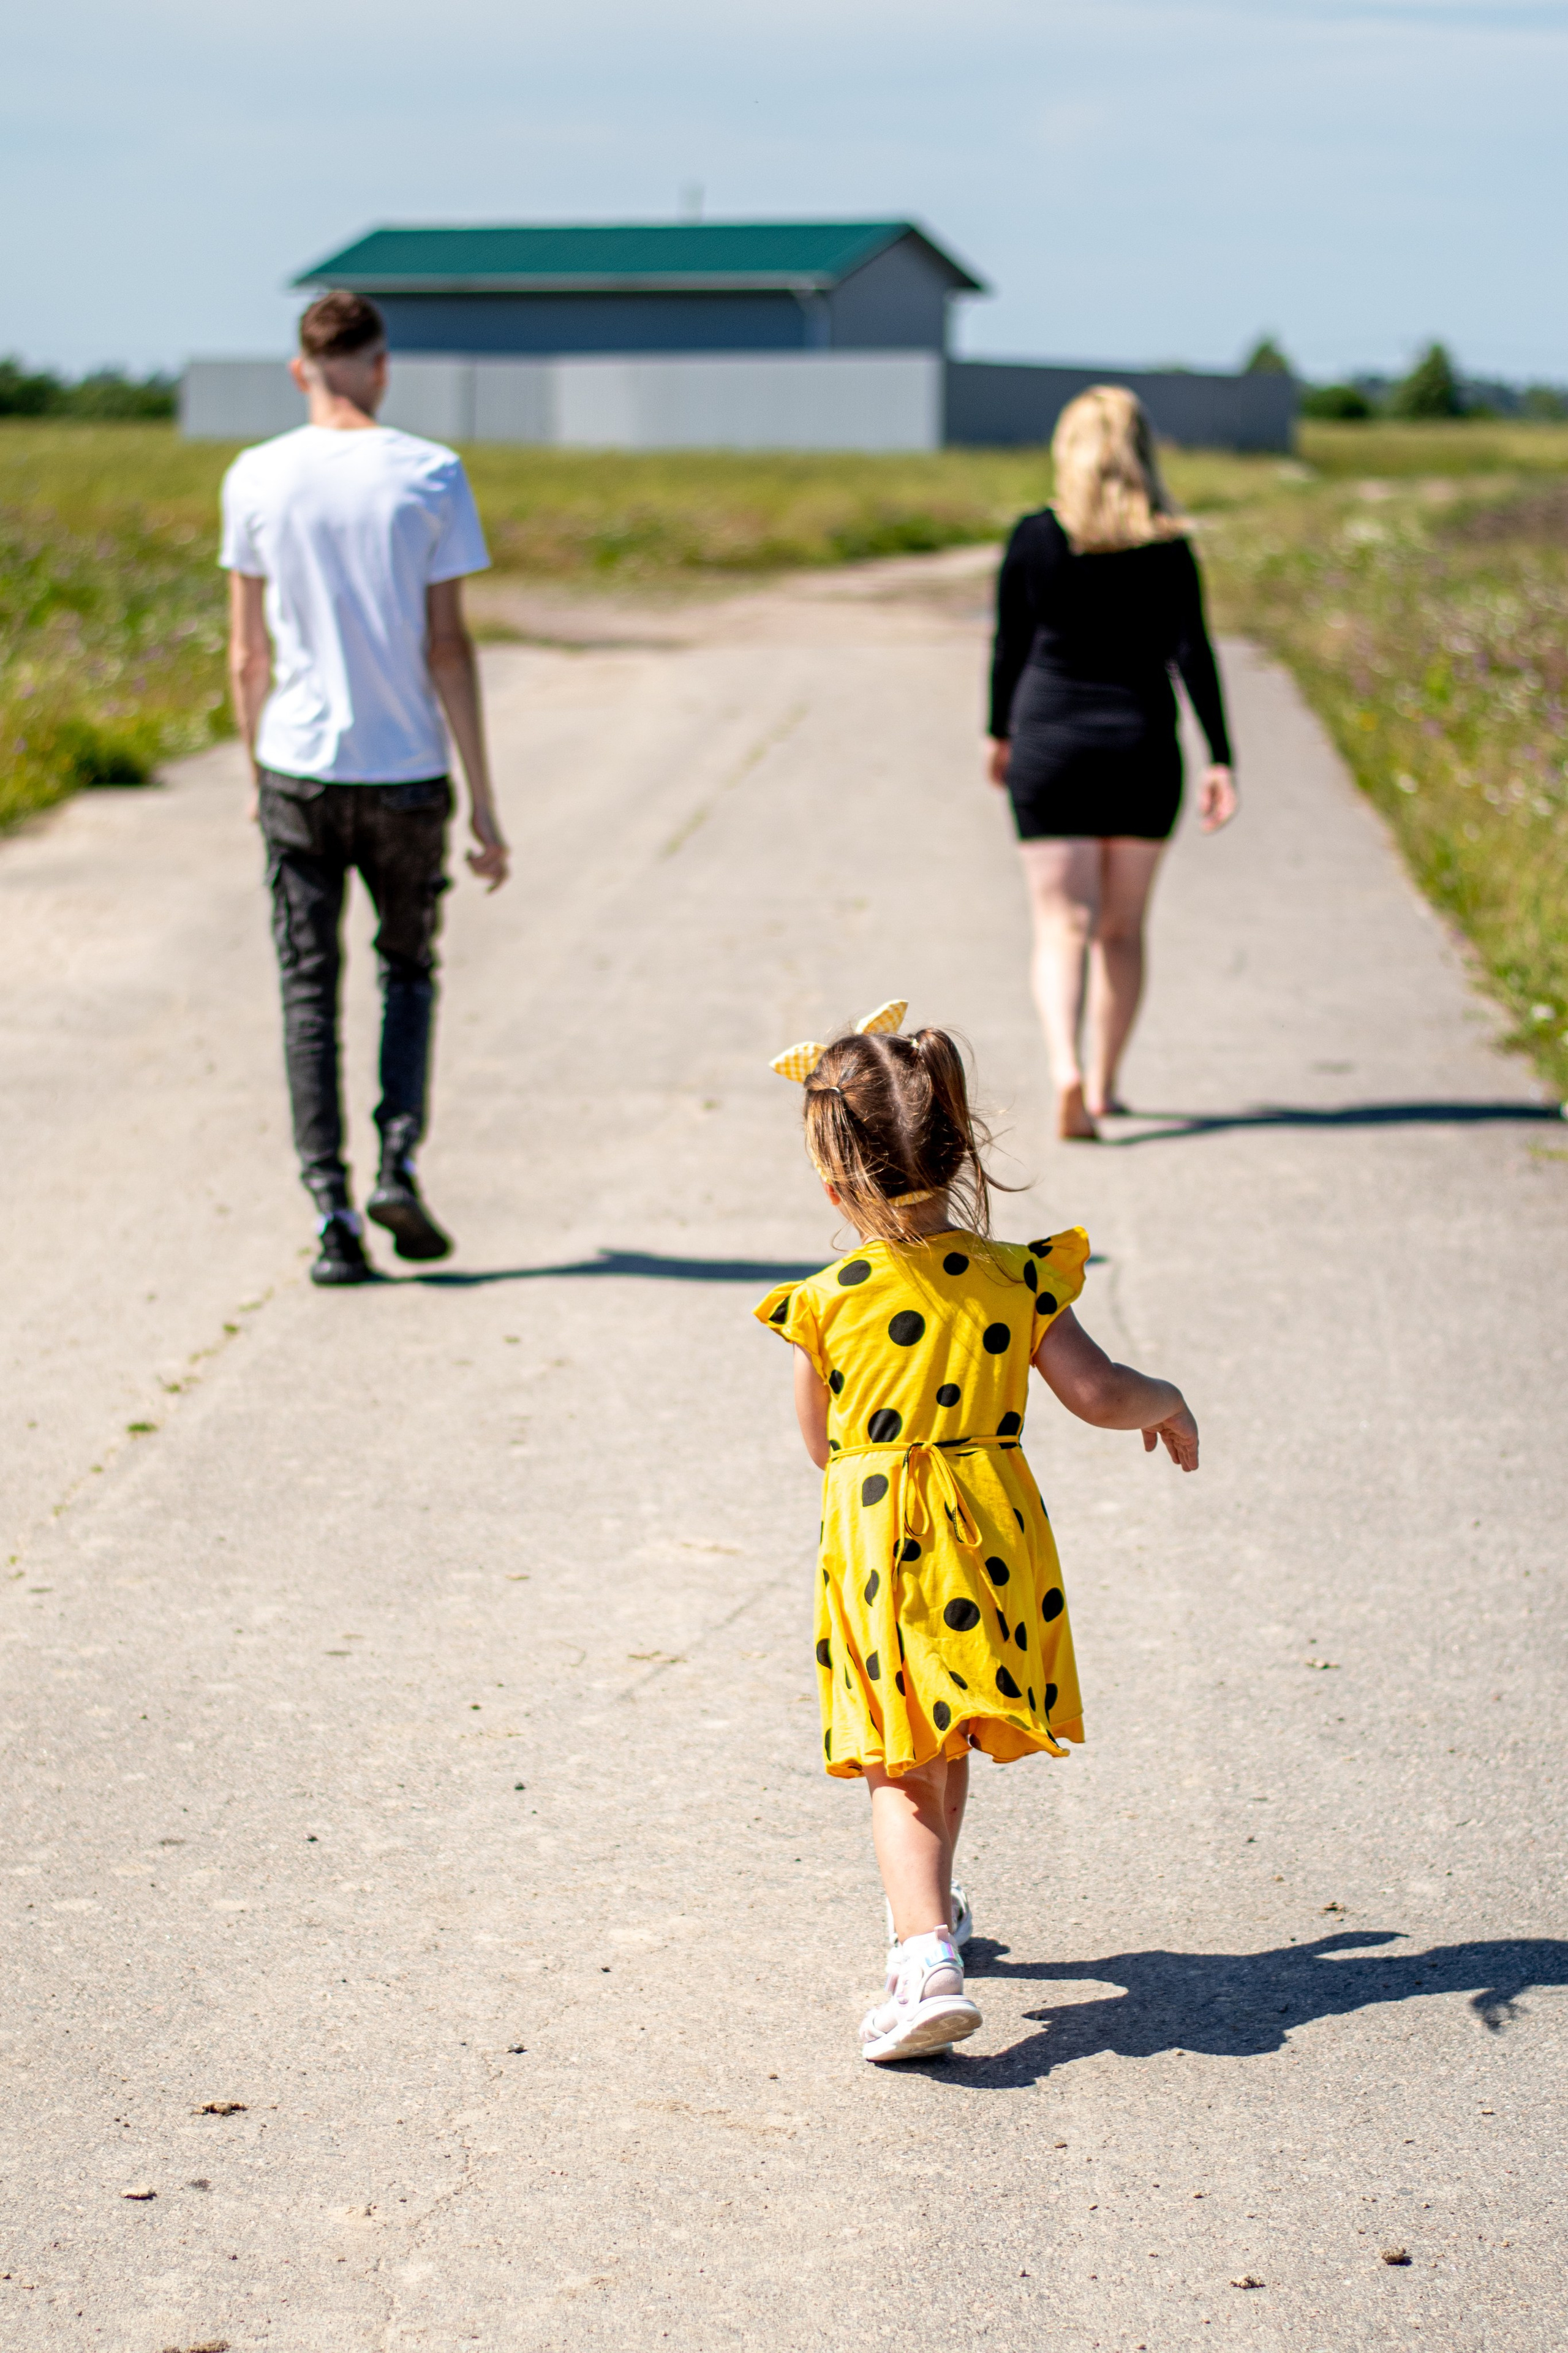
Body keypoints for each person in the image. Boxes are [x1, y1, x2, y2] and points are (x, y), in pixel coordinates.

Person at [755, 999, 1199, 2062]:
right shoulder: (1017, 1279)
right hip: (992, 1541)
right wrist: (1167, 1398)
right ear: (956, 1152)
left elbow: (822, 1444)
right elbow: (1097, 1395)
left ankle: (921, 1959)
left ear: (833, 1183)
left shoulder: (830, 1302)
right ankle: (938, 1917)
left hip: (879, 1543)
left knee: (899, 1759)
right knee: (939, 1741)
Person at [222, 290, 510, 1286]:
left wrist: (254, 773)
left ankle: (333, 1210)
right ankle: (399, 1159)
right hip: (405, 775)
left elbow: (245, 654)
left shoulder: (255, 476)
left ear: (302, 370)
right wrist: (486, 803)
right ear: (379, 367)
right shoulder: (430, 473)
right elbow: (448, 646)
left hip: (297, 767)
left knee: (309, 990)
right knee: (407, 971)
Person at [987, 386, 1237, 1143]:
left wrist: (996, 732)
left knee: (1061, 926)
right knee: (1120, 931)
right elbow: (1192, 653)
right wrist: (1219, 756)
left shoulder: (1033, 537)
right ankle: (1103, 1086)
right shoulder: (1167, 545)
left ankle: (1063, 1064)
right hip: (1139, 748)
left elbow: (1009, 646)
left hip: (1051, 746)